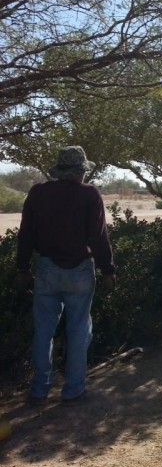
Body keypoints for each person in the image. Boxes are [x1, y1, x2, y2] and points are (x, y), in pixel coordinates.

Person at [16, 146, 116, 406]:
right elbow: (98, 237)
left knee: (43, 331)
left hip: (47, 268)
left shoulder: (38, 193)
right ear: (81, 171)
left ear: (60, 170)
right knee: (79, 330)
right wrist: (108, 269)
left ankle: (39, 390)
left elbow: (25, 233)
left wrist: (23, 267)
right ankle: (73, 390)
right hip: (80, 271)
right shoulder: (89, 194)